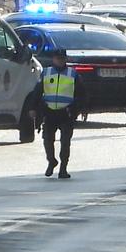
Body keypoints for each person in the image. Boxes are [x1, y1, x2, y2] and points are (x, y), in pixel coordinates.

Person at [38, 47, 79, 179]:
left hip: (66, 113)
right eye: (57, 58)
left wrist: (76, 110)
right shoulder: (46, 73)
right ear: (53, 59)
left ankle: (63, 168)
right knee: (47, 140)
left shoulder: (72, 74)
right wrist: (34, 108)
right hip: (50, 112)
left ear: (65, 59)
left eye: (62, 59)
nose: (60, 61)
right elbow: (37, 92)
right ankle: (51, 161)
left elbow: (81, 94)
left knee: (65, 142)